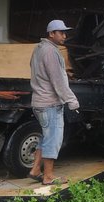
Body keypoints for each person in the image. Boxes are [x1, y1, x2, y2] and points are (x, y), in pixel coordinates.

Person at [28, 19, 79, 185]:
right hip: (50, 103)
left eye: (65, 32)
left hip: (39, 102)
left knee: (46, 137)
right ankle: (48, 177)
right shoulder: (51, 52)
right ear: (51, 33)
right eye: (61, 32)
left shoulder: (39, 49)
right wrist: (72, 101)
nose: (65, 35)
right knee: (53, 139)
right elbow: (58, 81)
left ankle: (36, 169)